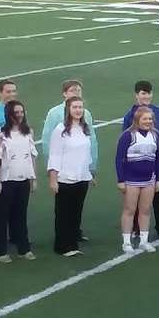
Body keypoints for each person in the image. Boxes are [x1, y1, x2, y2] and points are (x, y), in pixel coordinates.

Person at [41, 83, 98, 247]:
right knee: (63, 212)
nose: (78, 110)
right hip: (65, 177)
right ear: (69, 109)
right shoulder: (60, 129)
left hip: (81, 176)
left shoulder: (84, 128)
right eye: (75, 107)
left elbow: (88, 150)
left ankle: (73, 241)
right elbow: (54, 154)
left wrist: (90, 172)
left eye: (80, 107)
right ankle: (62, 245)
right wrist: (53, 178)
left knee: (76, 210)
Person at [121, 81, 159, 241]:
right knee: (135, 198)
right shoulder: (130, 116)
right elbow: (124, 141)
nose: (146, 96)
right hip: (136, 164)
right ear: (136, 95)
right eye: (143, 93)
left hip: (156, 162)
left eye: (149, 93)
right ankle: (136, 229)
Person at [115, 106, 159, 255]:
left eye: (150, 119)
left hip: (149, 179)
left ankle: (144, 240)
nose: (148, 121)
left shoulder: (156, 135)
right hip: (131, 180)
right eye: (145, 119)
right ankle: (126, 242)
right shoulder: (128, 136)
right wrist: (121, 179)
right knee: (129, 210)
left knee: (145, 210)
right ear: (137, 120)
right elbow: (119, 159)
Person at [0, 101, 37, 264]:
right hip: (6, 180)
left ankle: (23, 249)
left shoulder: (28, 131)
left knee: (20, 215)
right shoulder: (1, 133)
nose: (19, 115)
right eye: (16, 112)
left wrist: (33, 178)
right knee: (1, 217)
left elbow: (32, 156)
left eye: (21, 112)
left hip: (23, 178)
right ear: (9, 114)